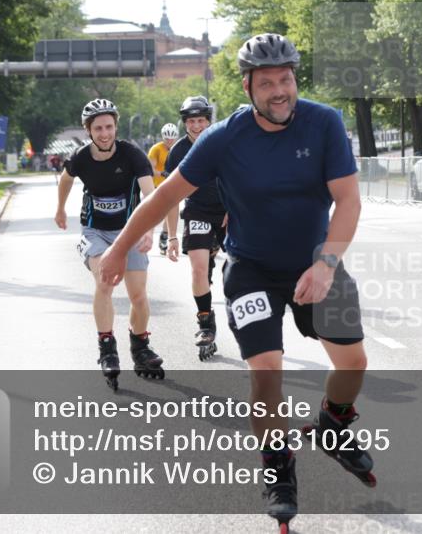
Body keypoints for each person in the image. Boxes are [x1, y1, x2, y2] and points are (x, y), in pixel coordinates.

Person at [98, 33, 371, 531]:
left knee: (353, 363)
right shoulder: (223, 137)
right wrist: (118, 249)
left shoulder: (324, 123)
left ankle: (333, 419)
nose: (279, 90)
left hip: (316, 261)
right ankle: (278, 469)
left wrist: (327, 263)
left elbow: (348, 203)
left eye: (285, 79)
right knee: (266, 373)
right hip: (250, 268)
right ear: (248, 87)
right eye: (266, 83)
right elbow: (163, 198)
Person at [55, 98, 166, 390]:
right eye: (98, 128)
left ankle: (140, 346)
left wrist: (149, 231)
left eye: (109, 127)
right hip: (95, 232)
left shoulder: (132, 155)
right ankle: (107, 347)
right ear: (88, 131)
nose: (104, 133)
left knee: (139, 296)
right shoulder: (80, 157)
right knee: (105, 282)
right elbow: (66, 179)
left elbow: (150, 194)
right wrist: (60, 208)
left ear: (116, 126)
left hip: (130, 231)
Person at [163, 97, 226, 361]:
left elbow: (242, 179)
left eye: (201, 120)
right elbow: (170, 197)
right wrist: (172, 236)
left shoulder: (223, 143)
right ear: (185, 123)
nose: (197, 126)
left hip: (229, 211)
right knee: (198, 267)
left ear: (209, 121)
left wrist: (233, 209)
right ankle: (205, 325)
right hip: (198, 211)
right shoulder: (177, 152)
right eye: (191, 121)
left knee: (241, 269)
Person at [147, 122, 179, 255]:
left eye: (172, 138)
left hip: (172, 186)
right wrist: (162, 173)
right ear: (163, 137)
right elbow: (150, 168)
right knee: (154, 213)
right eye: (167, 139)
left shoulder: (179, 148)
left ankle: (165, 236)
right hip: (157, 185)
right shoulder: (156, 149)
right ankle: (147, 237)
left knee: (169, 212)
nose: (170, 141)